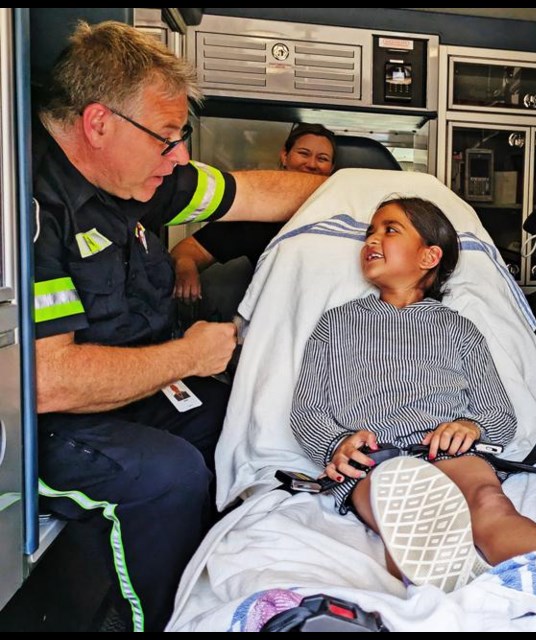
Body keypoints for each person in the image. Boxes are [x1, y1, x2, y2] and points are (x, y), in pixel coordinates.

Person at [33, 21, 328, 631]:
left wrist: (377, 193)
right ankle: (155, 620)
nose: (180, 157)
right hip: (44, 427)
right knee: (166, 475)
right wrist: (187, 356)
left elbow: (254, 194)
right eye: (167, 137)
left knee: (244, 419)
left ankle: (233, 594)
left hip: (130, 394)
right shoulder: (28, 204)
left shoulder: (140, 182)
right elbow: (46, 381)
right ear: (98, 123)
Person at [290, 197, 536, 591]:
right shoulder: (336, 324)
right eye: (369, 233)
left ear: (429, 256)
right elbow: (307, 409)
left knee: (490, 505)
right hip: (378, 458)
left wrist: (469, 426)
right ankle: (449, 582)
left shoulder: (458, 329)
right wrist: (339, 444)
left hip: (445, 450)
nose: (371, 241)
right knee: (402, 512)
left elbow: (499, 414)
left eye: (389, 230)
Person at [171, 122, 337, 305]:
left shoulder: (345, 212)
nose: (312, 164)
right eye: (303, 154)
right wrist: (185, 268)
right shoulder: (259, 212)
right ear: (284, 155)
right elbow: (191, 249)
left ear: (332, 168)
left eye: (322, 158)